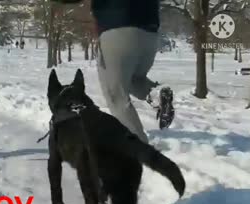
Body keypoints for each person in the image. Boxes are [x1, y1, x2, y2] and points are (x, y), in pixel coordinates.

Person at [52, 0, 174, 143]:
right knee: (134, 80)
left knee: (115, 95)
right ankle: (156, 94)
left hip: (118, 27)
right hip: (150, 32)